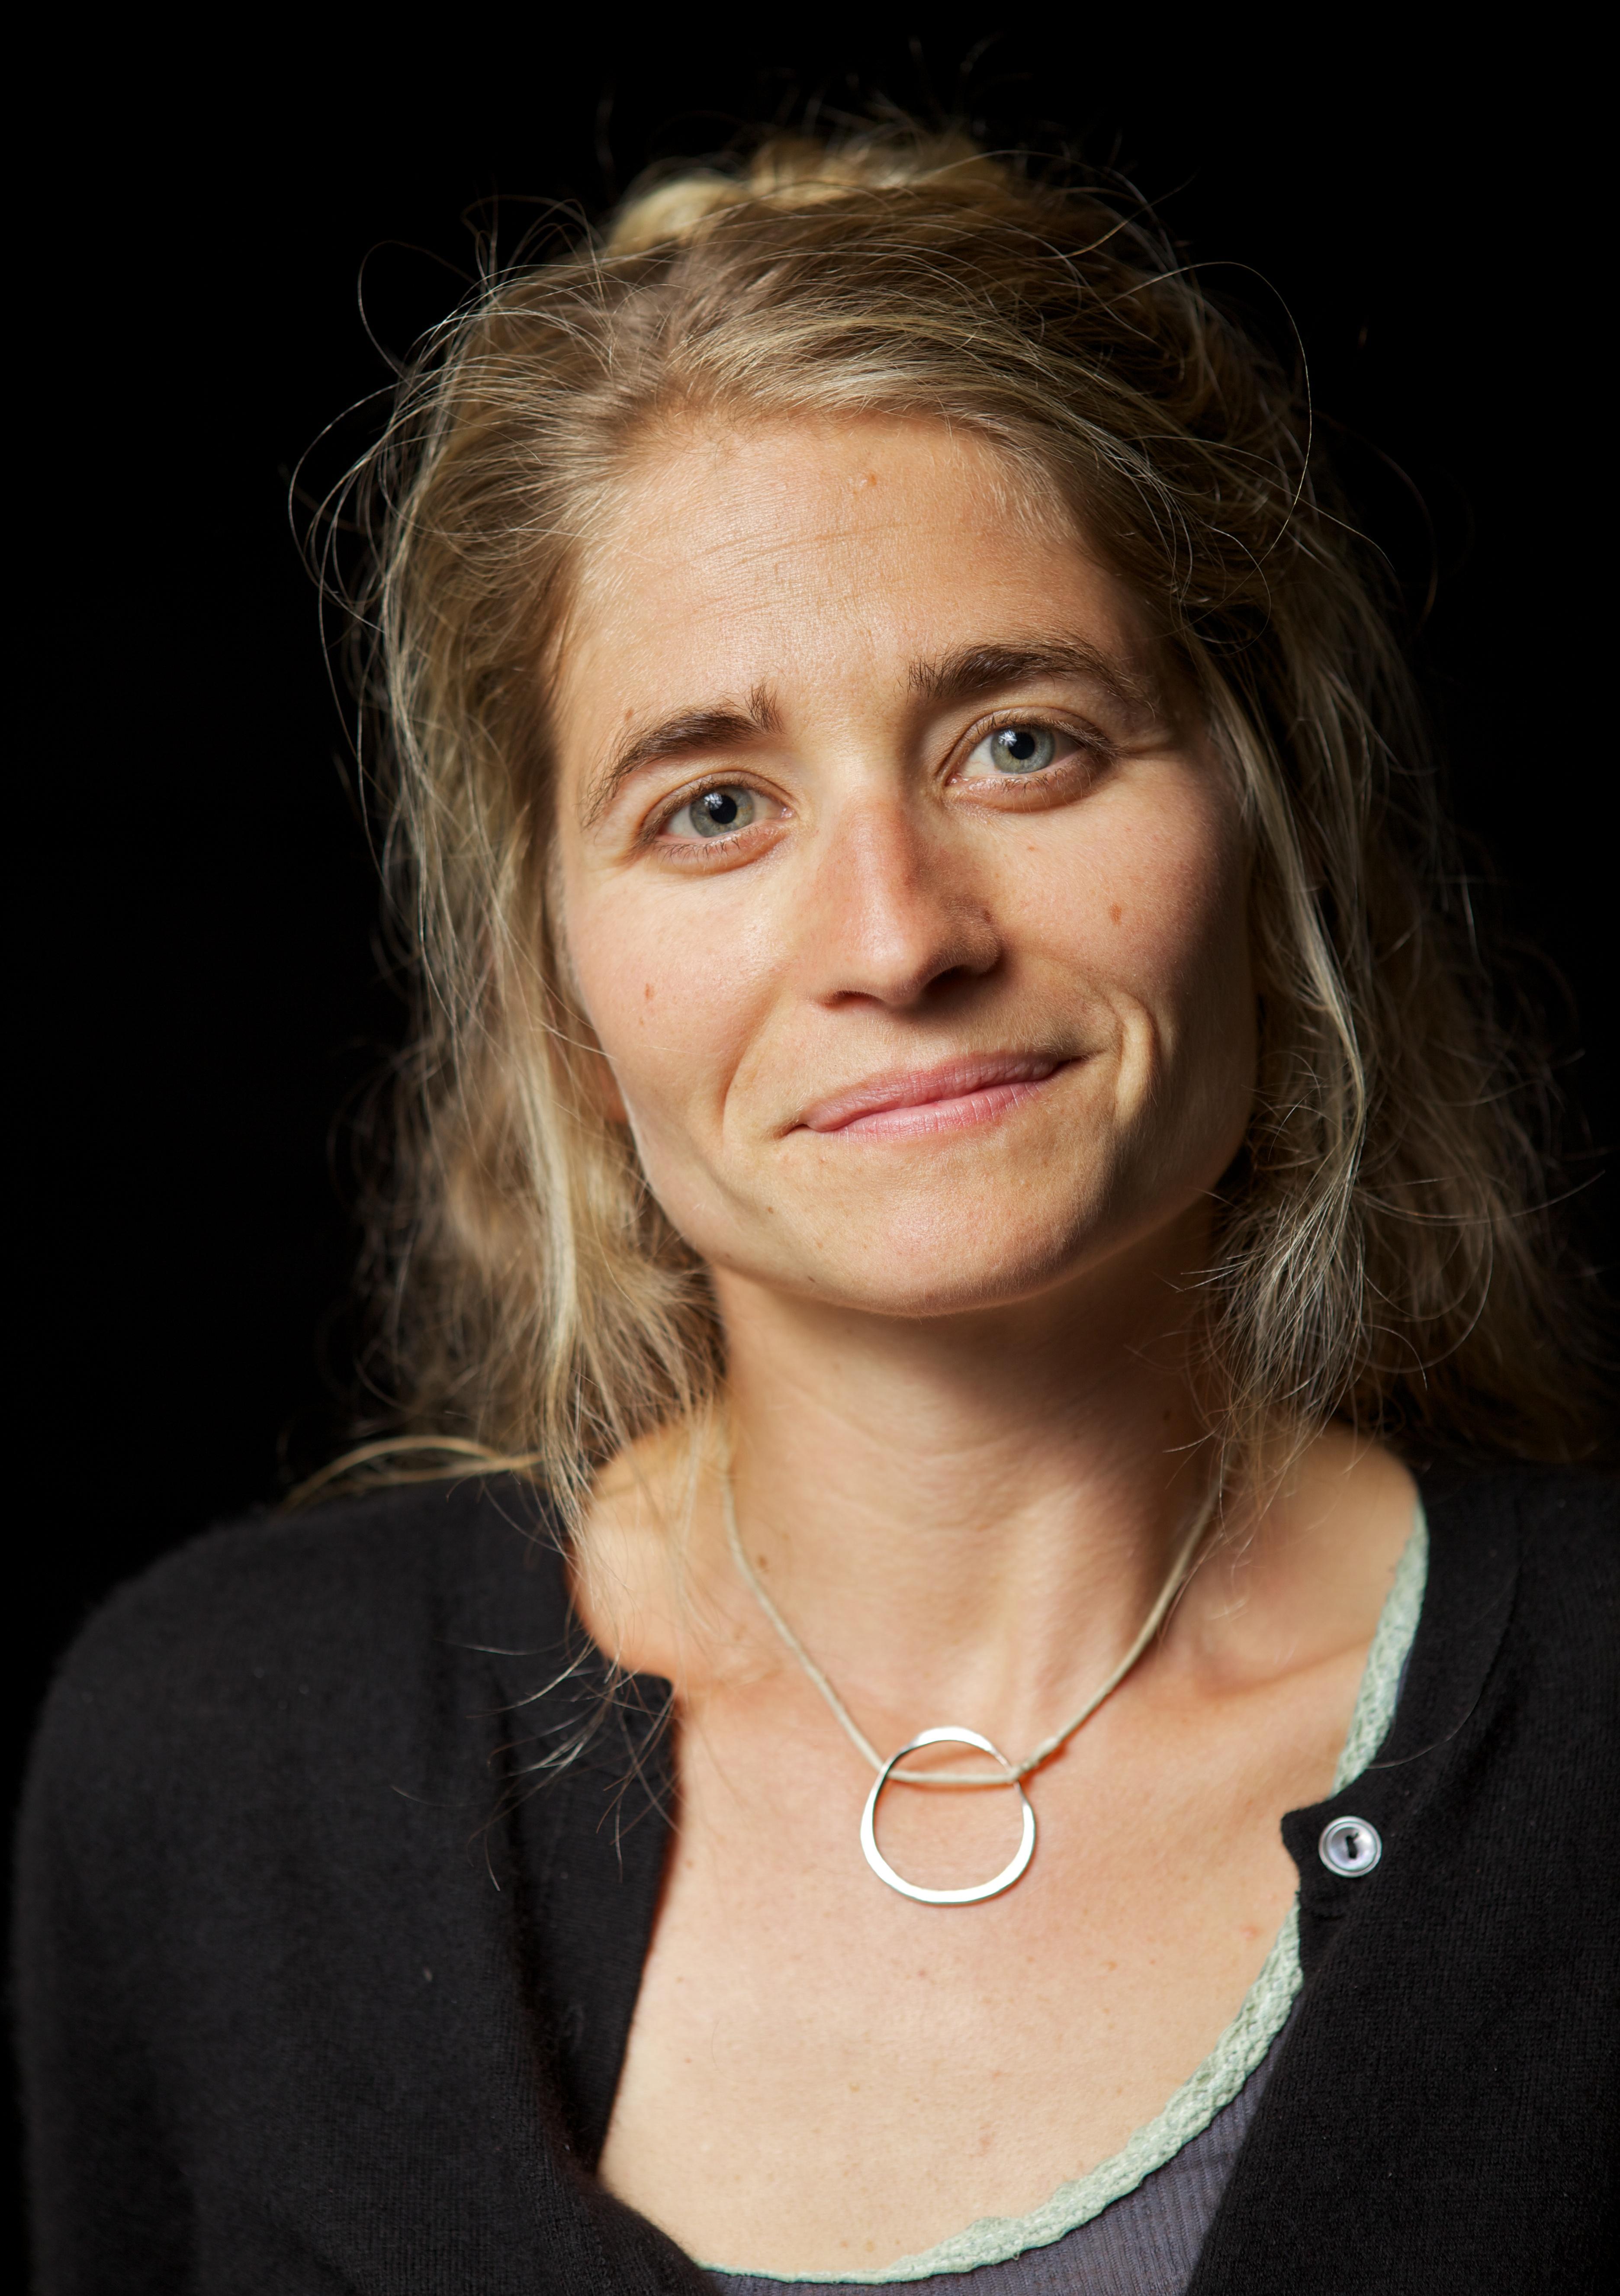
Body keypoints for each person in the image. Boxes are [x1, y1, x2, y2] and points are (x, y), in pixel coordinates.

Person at [16, 126, 1616, 2294]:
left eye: (1023, 743)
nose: (894, 933)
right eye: (715, 805)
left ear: (1271, 813)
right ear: (557, 972)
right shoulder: (212, 1765)